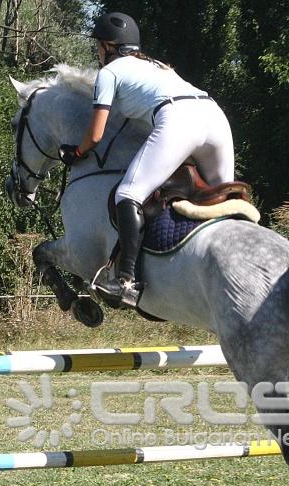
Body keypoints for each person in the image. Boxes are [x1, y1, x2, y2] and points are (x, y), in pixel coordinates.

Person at [58, 11, 235, 307]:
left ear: (107, 46)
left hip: (178, 119)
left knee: (128, 194)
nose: (98, 53)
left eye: (98, 47)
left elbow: (97, 134)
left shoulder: (109, 73)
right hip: (215, 116)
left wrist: (76, 152)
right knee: (223, 199)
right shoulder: (158, 66)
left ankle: (125, 281)